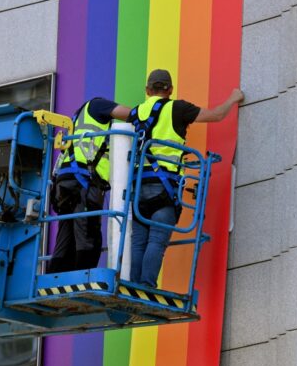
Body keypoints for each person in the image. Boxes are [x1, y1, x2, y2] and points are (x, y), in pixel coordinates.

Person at [128, 69, 244, 287]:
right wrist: (233, 98)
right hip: (165, 186)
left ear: (147, 90)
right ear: (169, 89)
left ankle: (133, 286)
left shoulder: (136, 113)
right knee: (156, 240)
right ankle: (146, 286)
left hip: (138, 188)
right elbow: (217, 115)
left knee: (138, 242)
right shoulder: (177, 108)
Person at [47, 97, 130, 273]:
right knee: (88, 233)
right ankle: (84, 279)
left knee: (66, 236)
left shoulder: (79, 117)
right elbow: (130, 115)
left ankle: (54, 277)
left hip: (66, 180)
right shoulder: (98, 105)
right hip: (83, 180)